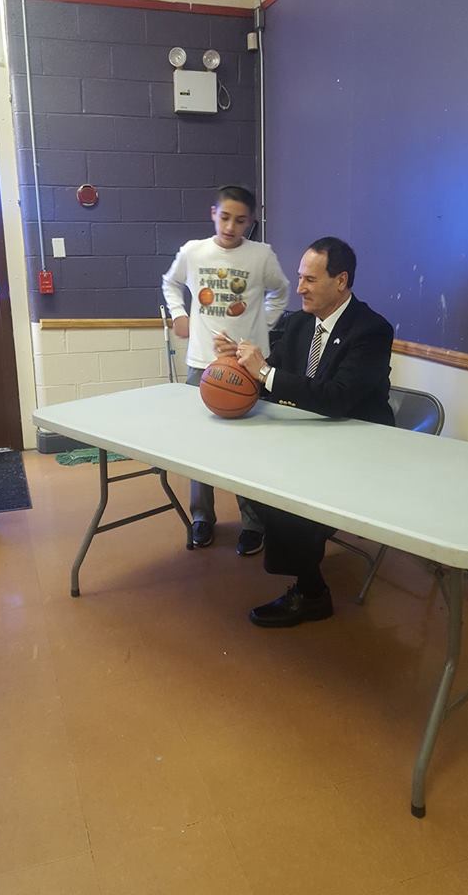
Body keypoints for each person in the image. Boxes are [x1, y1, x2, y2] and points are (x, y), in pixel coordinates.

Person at [214, 236, 394, 627]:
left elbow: (337, 398)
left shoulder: (372, 330)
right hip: (310, 439)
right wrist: (240, 364)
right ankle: (297, 549)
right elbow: (272, 380)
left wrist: (265, 371)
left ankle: (312, 594)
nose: (299, 288)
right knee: (249, 473)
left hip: (360, 447)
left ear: (341, 281)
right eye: (299, 277)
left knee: (285, 499)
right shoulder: (298, 323)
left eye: (310, 279)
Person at [162, 185, 290, 554]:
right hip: (203, 364)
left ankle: (253, 523)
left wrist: (260, 327)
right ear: (213, 214)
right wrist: (179, 313)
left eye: (240, 220)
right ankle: (202, 517)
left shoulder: (261, 256)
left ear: (250, 222)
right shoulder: (194, 251)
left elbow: (281, 291)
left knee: (248, 451)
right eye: (225, 217)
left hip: (248, 367)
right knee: (199, 448)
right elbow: (170, 282)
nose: (231, 227)